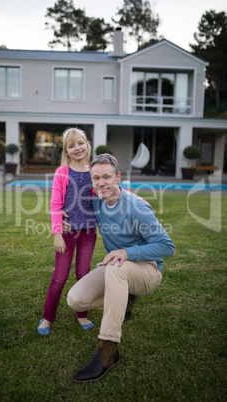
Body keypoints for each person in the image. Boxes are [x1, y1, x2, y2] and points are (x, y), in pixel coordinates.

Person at [65, 153, 175, 382]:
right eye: (96, 178)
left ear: (118, 177)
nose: (102, 182)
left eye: (107, 176)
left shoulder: (137, 207)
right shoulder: (96, 202)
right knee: (75, 299)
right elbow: (70, 208)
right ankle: (124, 300)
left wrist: (128, 252)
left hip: (147, 269)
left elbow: (167, 246)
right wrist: (59, 218)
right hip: (117, 265)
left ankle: (108, 351)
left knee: (116, 268)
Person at [38, 128, 98, 336]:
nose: (77, 148)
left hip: (89, 232)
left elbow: (106, 196)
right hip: (67, 232)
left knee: (83, 274)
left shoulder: (94, 171)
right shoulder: (62, 173)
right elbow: (55, 204)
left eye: (80, 143)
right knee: (59, 277)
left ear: (87, 145)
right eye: (71, 146)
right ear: (67, 151)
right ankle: (47, 317)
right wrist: (56, 233)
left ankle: (82, 314)